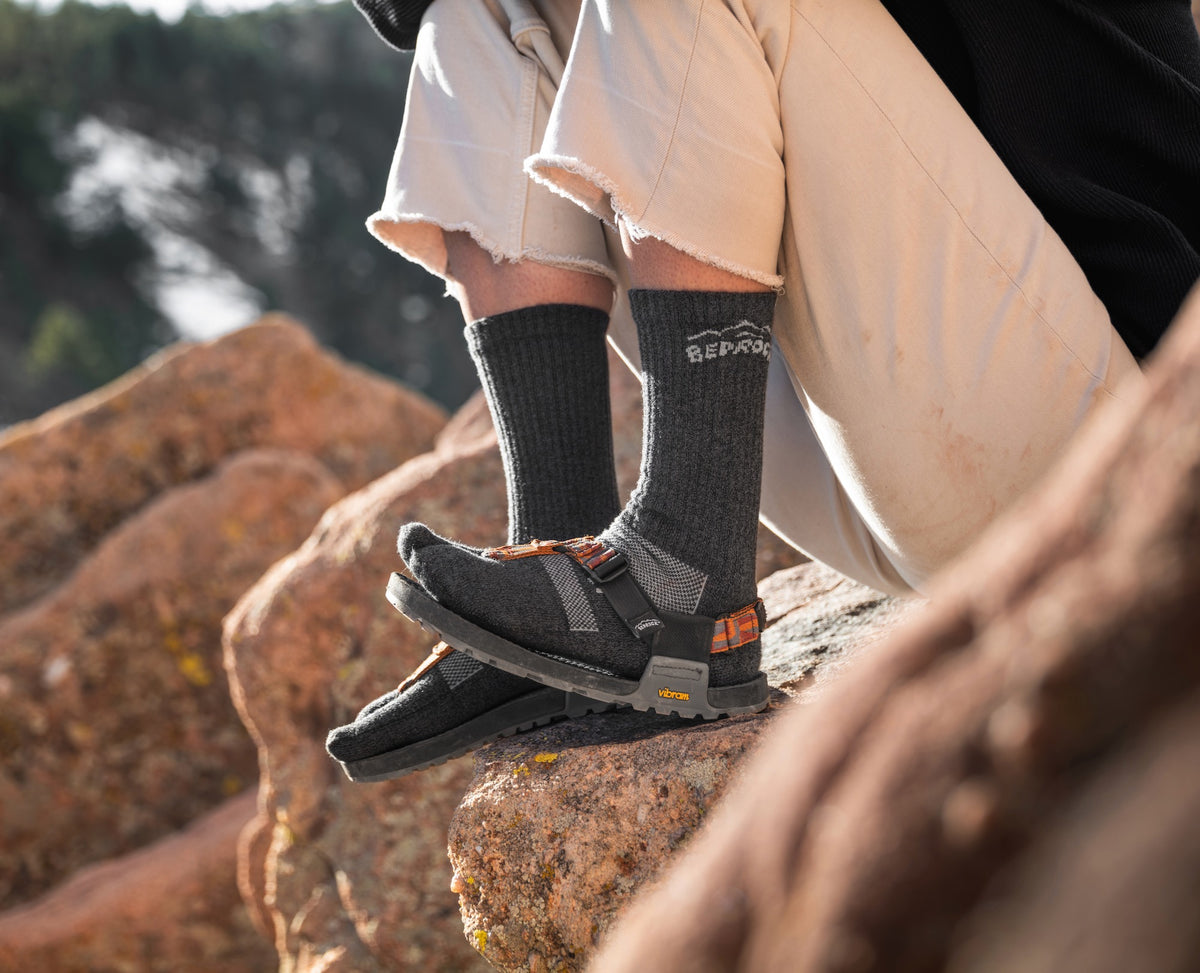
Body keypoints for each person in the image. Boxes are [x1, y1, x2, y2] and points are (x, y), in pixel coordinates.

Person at [325, 0, 1200, 782]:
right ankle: (569, 587)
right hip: (886, 455)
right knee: (471, 11)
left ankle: (682, 580)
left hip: (1107, 454)